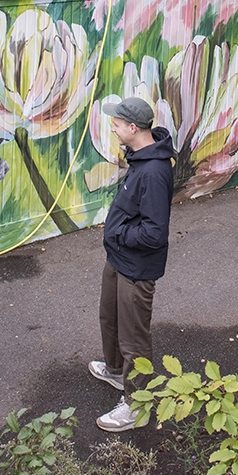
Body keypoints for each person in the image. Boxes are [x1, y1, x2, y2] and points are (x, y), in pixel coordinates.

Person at [87, 96, 175, 432]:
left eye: (117, 123)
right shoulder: (141, 158)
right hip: (120, 259)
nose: (113, 127)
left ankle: (137, 405)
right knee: (109, 317)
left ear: (133, 128)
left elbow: (154, 233)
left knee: (133, 337)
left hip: (137, 268)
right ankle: (114, 371)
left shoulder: (153, 171)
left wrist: (119, 232)